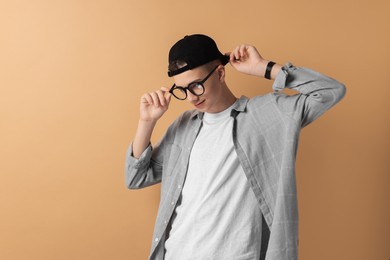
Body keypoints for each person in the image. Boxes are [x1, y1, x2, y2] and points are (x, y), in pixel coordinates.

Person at [125, 34, 346, 260]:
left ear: (220, 73)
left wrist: (264, 67)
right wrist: (147, 121)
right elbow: (135, 178)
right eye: (182, 90)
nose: (191, 98)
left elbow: (330, 91)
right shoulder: (183, 125)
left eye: (196, 85)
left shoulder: (264, 114)